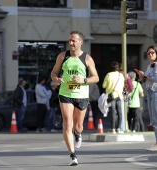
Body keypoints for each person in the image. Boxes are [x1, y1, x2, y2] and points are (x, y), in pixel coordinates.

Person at [51, 30, 99, 166]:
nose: (71, 43)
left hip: (82, 96)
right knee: (67, 123)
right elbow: (54, 72)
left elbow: (96, 77)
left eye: (73, 41)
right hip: (65, 93)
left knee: (78, 127)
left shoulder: (87, 58)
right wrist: (56, 79)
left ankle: (77, 134)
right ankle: (72, 155)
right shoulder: (62, 56)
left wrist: (83, 80)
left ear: (80, 42)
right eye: (70, 40)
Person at [135, 45, 157, 151]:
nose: (150, 55)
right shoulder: (150, 65)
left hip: (155, 92)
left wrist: (147, 76)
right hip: (149, 92)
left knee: (155, 119)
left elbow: (155, 78)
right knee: (153, 120)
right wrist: (142, 77)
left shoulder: (156, 65)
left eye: (152, 53)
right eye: (148, 53)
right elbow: (147, 81)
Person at [102, 61, 125, 134]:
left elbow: (104, 85)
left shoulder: (109, 75)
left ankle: (112, 128)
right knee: (119, 112)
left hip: (111, 95)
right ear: (118, 68)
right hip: (119, 95)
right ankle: (118, 128)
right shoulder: (121, 75)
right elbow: (123, 84)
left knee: (113, 112)